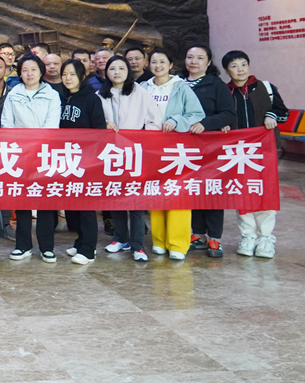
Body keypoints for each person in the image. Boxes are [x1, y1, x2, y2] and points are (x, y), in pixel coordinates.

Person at [223, 50, 288, 259]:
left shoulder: (266, 88)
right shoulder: (225, 92)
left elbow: (283, 112)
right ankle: (248, 236)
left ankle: (265, 238)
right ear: (227, 70)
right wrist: (223, 124)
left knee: (264, 192)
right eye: (234, 66)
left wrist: (271, 115)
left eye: (243, 64)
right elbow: (220, 115)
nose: (240, 69)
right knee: (243, 193)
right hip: (237, 153)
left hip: (264, 151)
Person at [96, 55, 161, 262]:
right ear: (106, 72)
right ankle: (120, 238)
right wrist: (104, 125)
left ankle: (138, 245)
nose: (117, 72)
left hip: (135, 153)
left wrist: (141, 138)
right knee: (115, 198)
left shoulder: (140, 93)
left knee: (136, 201)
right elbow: (94, 122)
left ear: (128, 71)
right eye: (112, 68)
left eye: (121, 68)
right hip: (111, 153)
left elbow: (155, 121)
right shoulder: (100, 95)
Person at [141, 47, 205, 260]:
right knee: (156, 192)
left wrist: (176, 121)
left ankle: (178, 244)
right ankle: (159, 241)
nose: (157, 66)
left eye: (162, 62)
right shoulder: (143, 87)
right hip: (151, 148)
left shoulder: (181, 87)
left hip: (176, 149)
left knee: (177, 193)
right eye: (154, 62)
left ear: (170, 65)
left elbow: (196, 113)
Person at [1, 54, 62, 263]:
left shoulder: (52, 95)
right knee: (22, 201)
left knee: (45, 201)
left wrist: (36, 145)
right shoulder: (13, 94)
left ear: (41, 72)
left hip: (45, 153)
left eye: (33, 69)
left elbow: (52, 125)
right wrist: (19, 146)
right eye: (25, 70)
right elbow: (7, 123)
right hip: (20, 154)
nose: (29, 74)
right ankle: (23, 245)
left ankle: (47, 247)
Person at [182, 44, 237, 258]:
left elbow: (228, 114)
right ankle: (197, 235)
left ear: (208, 62)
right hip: (183, 149)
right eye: (190, 57)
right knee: (192, 190)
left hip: (211, 148)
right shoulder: (177, 82)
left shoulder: (216, 85)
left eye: (199, 57)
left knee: (212, 190)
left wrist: (205, 124)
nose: (193, 61)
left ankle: (214, 238)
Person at [58, 59, 107, 264]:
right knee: (74, 204)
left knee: (86, 205)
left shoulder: (91, 99)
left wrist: (92, 158)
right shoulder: (62, 97)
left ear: (82, 76)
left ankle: (88, 250)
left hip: (85, 159)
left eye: (72, 74)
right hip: (66, 158)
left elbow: (99, 130)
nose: (68, 78)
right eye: (64, 74)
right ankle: (81, 242)